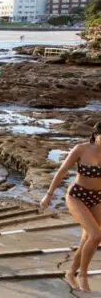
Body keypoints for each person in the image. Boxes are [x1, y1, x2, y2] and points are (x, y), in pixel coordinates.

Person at [40, 122, 101, 293]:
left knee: (87, 238)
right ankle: (82, 275)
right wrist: (49, 195)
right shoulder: (81, 149)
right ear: (96, 135)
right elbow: (62, 171)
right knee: (96, 235)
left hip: (97, 198)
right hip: (77, 196)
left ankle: (70, 273)